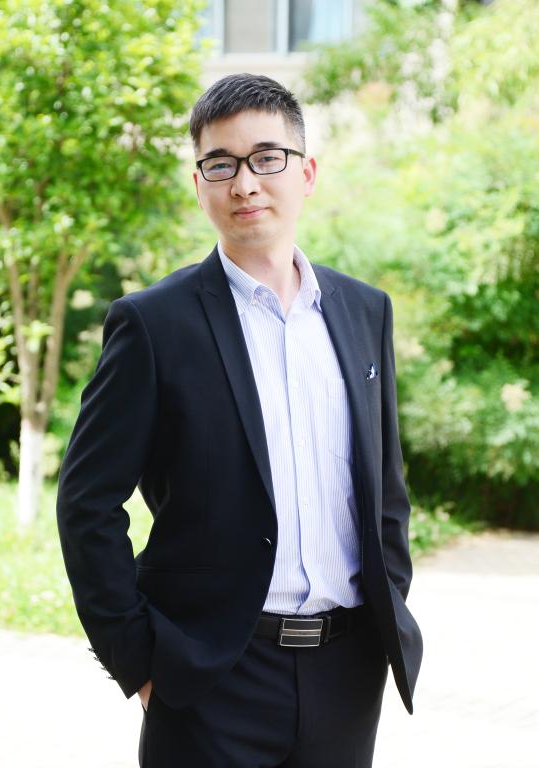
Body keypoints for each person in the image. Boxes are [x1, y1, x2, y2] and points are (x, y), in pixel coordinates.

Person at [57, 73, 423, 768]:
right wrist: (139, 661)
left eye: (266, 158)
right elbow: (86, 503)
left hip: (347, 674)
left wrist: (388, 604)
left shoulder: (363, 310)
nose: (245, 183)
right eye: (220, 164)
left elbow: (385, 488)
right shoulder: (153, 324)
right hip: (210, 678)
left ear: (306, 173)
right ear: (199, 184)